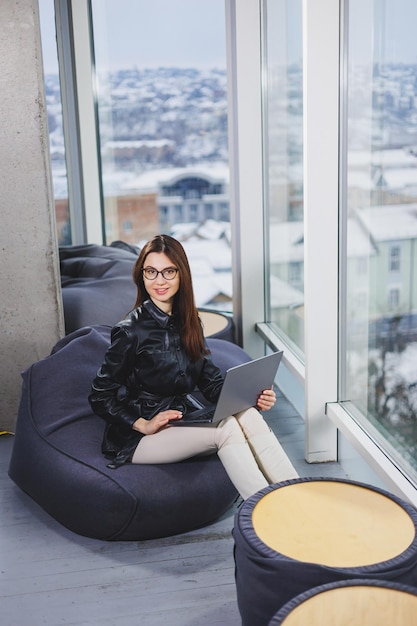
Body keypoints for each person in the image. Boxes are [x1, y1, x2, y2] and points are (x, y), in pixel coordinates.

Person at [89, 234, 298, 499]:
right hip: (142, 438)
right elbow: (100, 395)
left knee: (249, 416)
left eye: (168, 271)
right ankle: (265, 518)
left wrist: (251, 397)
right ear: (141, 275)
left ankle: (295, 500)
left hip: (183, 418)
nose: (159, 281)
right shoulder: (130, 331)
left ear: (181, 275)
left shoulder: (189, 322)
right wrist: (142, 424)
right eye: (151, 272)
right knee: (227, 429)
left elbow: (210, 382)